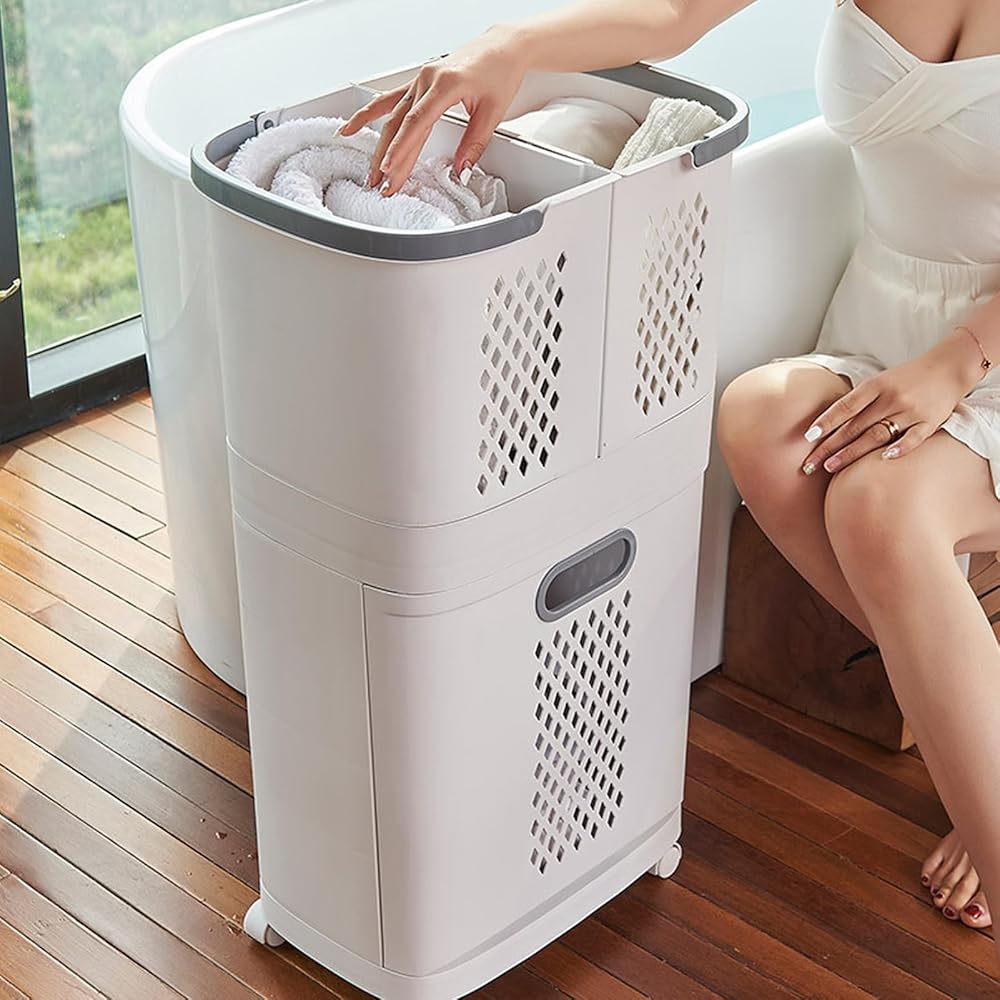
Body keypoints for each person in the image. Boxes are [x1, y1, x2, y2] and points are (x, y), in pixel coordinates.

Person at [341, 0, 1000, 956]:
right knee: (762, 424)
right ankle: (981, 734)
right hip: (890, 317)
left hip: (982, 345)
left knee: (879, 504)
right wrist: (505, 47)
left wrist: (957, 361)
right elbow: (674, 13)